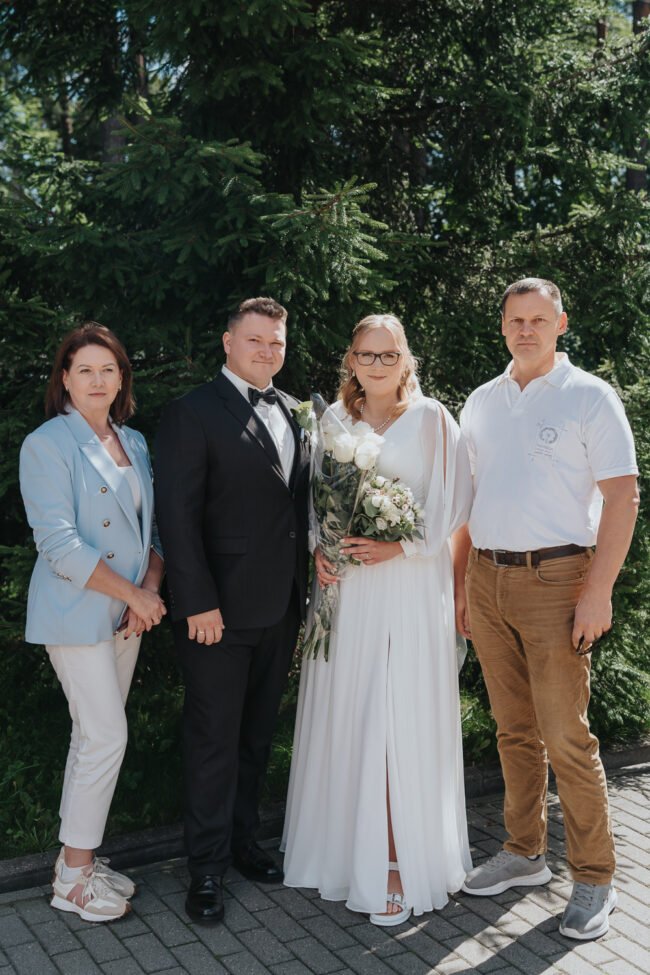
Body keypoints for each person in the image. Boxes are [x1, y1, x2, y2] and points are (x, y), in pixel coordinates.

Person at [454, 278, 639, 940]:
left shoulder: (590, 395)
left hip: (558, 580)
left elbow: (623, 497)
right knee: (513, 729)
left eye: (538, 319)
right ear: (503, 326)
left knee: (566, 736)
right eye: (515, 320)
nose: (526, 329)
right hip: (487, 577)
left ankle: (594, 877)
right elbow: (467, 503)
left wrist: (598, 590)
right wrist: (461, 587)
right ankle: (524, 852)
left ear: (561, 323)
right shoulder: (482, 401)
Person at [281, 313, 473, 925]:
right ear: (351, 360)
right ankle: (341, 852)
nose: (377, 365)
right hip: (349, 590)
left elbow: (456, 505)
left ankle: (394, 860)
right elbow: (314, 501)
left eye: (389, 355)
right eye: (367, 354)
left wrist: (403, 546)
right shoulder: (333, 420)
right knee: (352, 709)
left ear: (406, 359)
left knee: (396, 715)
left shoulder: (434, 419)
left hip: (409, 586)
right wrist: (319, 547)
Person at [154, 296, 310, 925]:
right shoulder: (192, 412)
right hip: (215, 614)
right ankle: (206, 869)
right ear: (227, 342)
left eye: (276, 342)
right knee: (213, 741)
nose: (267, 351)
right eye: (255, 340)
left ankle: (245, 843)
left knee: (255, 737)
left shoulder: (297, 411)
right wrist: (197, 601)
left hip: (281, 608)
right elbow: (177, 516)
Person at [19, 322, 166, 923]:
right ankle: (73, 880)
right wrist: (133, 592)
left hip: (127, 612)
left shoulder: (134, 441)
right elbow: (59, 544)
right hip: (75, 610)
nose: (98, 380)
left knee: (92, 736)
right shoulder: (47, 444)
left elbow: (153, 531)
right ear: (65, 379)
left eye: (108, 369)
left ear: (122, 377)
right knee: (106, 736)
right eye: (85, 370)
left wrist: (147, 592)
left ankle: (74, 862)